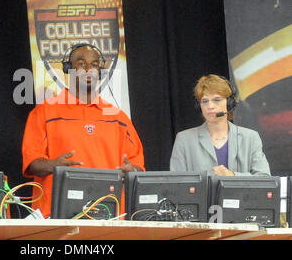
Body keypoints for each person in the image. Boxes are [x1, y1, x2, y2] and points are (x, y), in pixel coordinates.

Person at [22, 43, 145, 218]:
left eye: (94, 65)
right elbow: (32, 163)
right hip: (57, 217)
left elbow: (138, 166)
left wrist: (132, 172)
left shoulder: (119, 118)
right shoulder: (43, 113)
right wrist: (54, 165)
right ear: (68, 69)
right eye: (81, 63)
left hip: (109, 216)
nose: (88, 70)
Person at [170, 74, 270, 176]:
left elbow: (264, 179)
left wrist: (232, 176)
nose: (210, 106)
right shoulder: (184, 139)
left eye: (216, 100)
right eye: (205, 101)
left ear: (229, 103)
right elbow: (177, 185)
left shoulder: (250, 138)